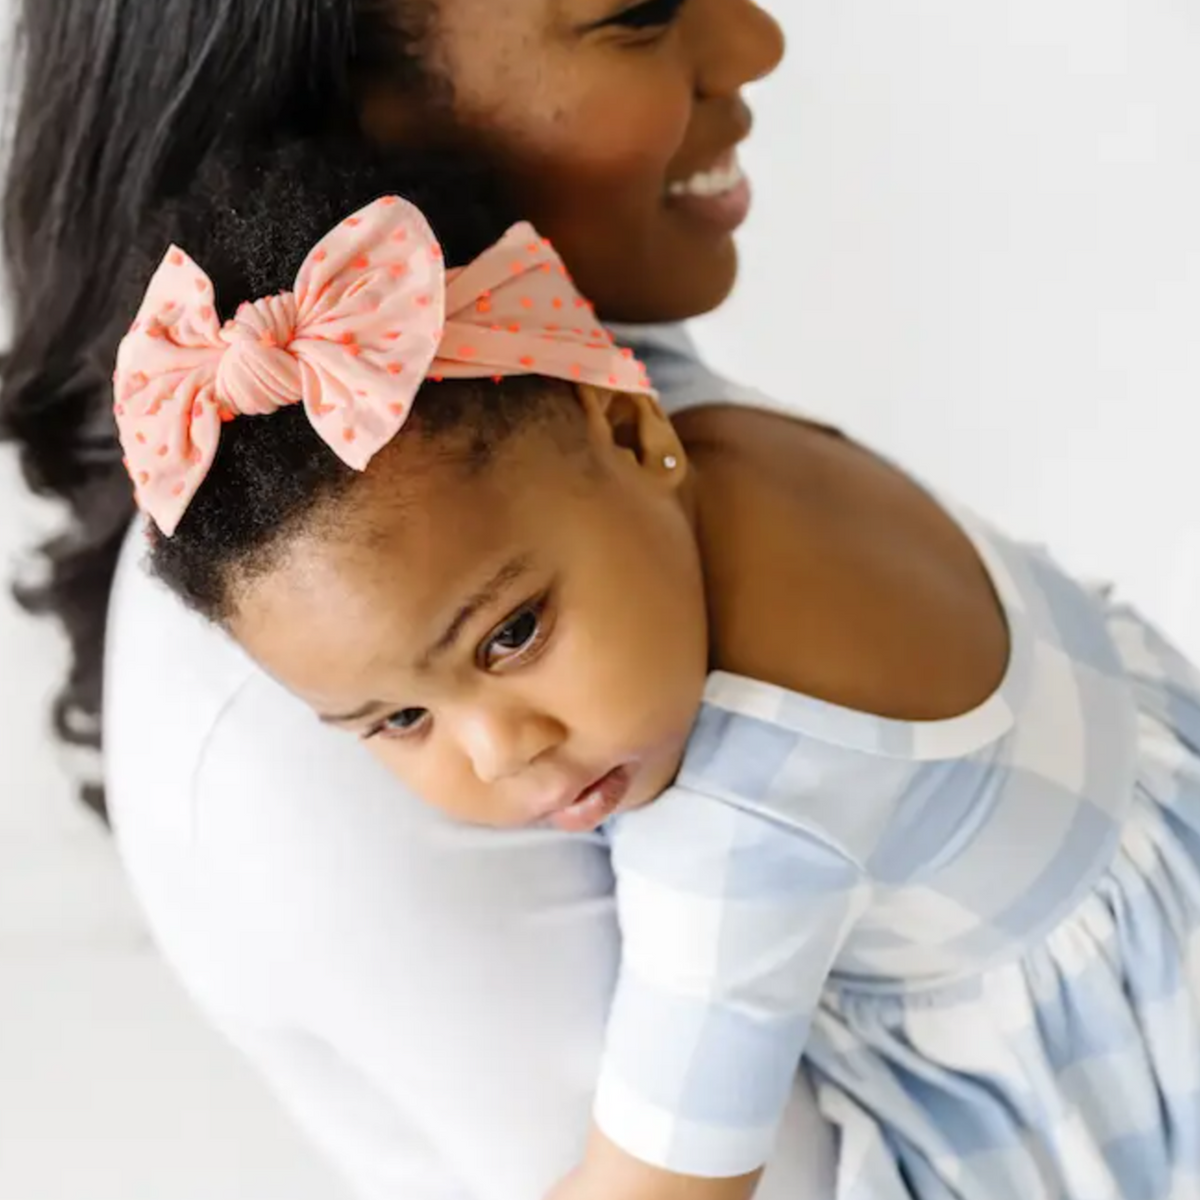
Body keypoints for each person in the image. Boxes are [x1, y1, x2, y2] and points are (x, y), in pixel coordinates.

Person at [115, 139, 1200, 1200]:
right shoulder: (694, 419)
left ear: (629, 431)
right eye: (397, 719)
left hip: (1117, 1089)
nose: (503, 752)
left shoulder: (744, 815)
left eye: (511, 635)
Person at [2, 4, 838, 1199]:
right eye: (634, 15)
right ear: (359, 99)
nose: (757, 39)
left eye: (515, 635)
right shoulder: (297, 698)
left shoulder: (530, 405)